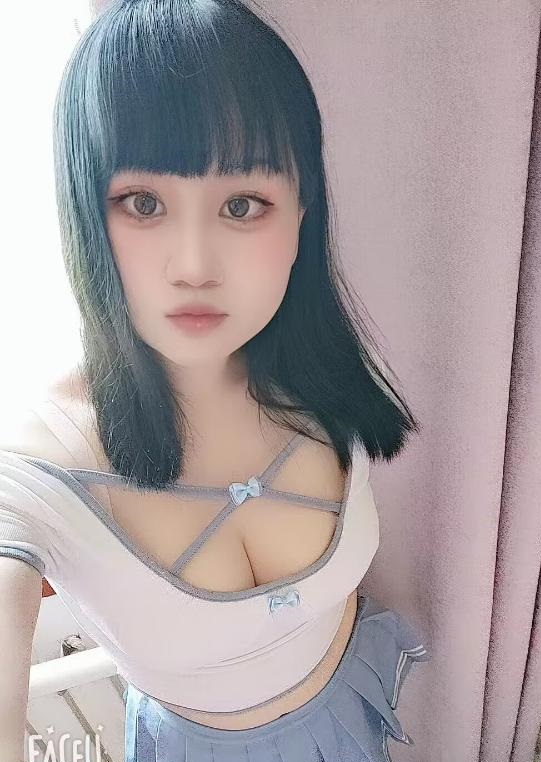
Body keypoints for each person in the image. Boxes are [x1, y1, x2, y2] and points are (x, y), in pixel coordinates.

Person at [0, 0, 430, 759]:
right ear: (81, 213)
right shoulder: (33, 471)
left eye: (241, 204)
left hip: (347, 710)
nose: (194, 266)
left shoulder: (322, 374)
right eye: (143, 203)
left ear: (302, 212)